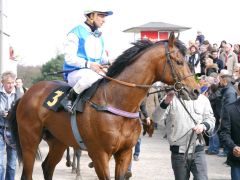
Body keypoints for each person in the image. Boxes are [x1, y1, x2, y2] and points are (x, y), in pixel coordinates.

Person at [153, 89, 215, 180]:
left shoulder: (203, 99)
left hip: (197, 150)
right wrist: (166, 102)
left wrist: (203, 126)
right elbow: (155, 118)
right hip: (178, 152)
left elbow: (211, 119)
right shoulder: (170, 98)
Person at [62, 7, 113, 113]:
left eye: (104, 17)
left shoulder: (99, 36)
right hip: (74, 72)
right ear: (91, 16)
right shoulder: (75, 33)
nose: (104, 20)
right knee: (92, 76)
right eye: (101, 16)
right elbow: (69, 58)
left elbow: (102, 59)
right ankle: (69, 98)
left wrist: (112, 61)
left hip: (95, 71)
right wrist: (89, 64)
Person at [219, 83, 240, 180]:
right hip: (237, 160)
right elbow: (224, 133)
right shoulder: (229, 109)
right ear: (238, 91)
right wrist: (233, 147)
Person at [0, 71, 18, 180]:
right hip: (0, 129)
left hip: (13, 131)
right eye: (8, 83)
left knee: (12, 165)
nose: (10, 85)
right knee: (0, 164)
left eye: (12, 82)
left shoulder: (20, 94)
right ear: (2, 83)